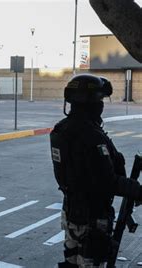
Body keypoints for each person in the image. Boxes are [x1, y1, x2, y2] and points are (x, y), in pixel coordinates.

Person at [50, 74, 142, 267]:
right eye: (99, 99)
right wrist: (135, 189)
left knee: (72, 261)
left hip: (71, 212)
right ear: (90, 103)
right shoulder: (91, 137)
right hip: (92, 218)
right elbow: (106, 181)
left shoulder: (61, 130)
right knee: (91, 262)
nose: (101, 105)